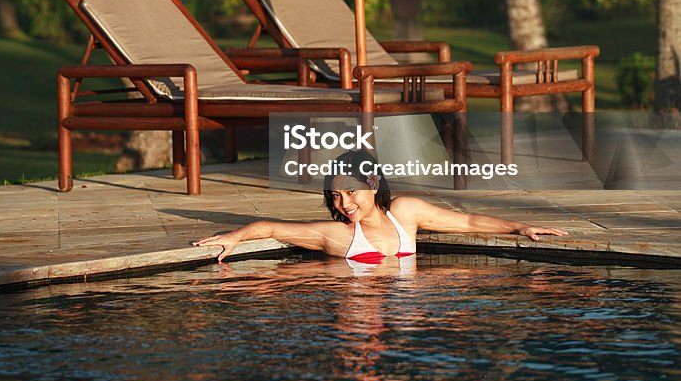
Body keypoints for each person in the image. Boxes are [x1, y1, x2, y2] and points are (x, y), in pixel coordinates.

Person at [193, 150, 568, 263]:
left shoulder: (405, 212)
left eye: (351, 192)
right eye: (336, 197)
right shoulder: (339, 235)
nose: (344, 204)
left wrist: (519, 228)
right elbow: (272, 227)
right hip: (349, 293)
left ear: (372, 184)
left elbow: (467, 222)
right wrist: (233, 236)